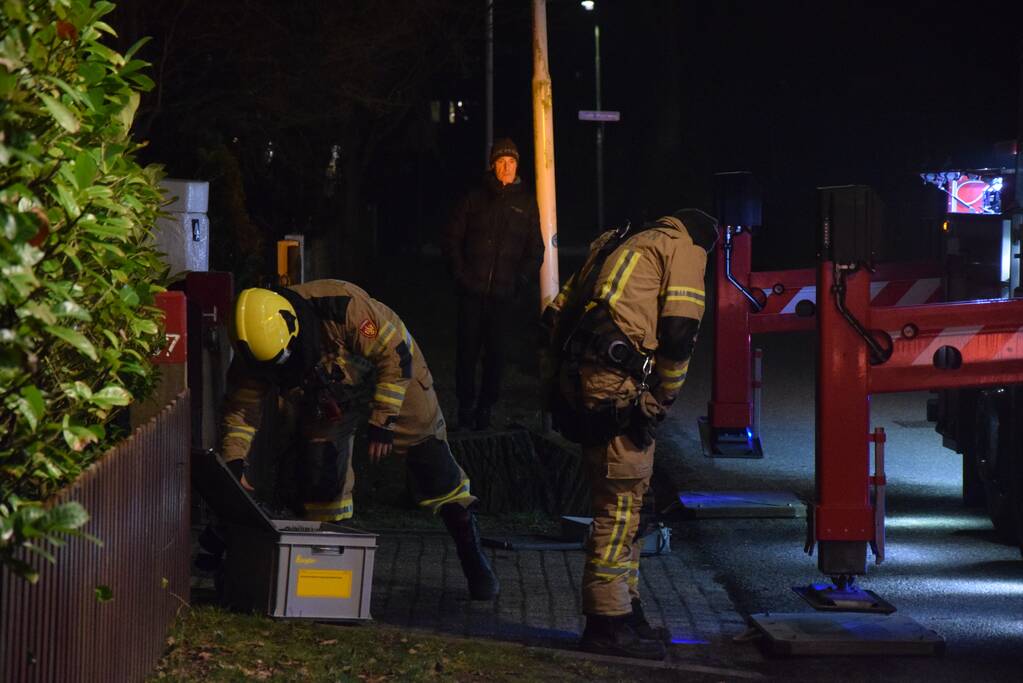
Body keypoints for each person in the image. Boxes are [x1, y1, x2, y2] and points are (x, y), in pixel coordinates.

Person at [220, 279, 500, 600]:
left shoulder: (345, 308)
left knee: (430, 461)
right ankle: (323, 568)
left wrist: (383, 420)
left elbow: (394, 357)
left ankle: (472, 555)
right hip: (329, 392)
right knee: (320, 475)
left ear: (293, 327)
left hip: (395, 372)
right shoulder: (253, 351)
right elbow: (241, 409)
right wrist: (234, 460)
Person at [541, 209, 718, 659]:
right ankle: (605, 626)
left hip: (584, 382)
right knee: (619, 508)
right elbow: (679, 333)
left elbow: (555, 314)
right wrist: (663, 397)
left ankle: (627, 612)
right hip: (616, 387)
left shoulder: (617, 239)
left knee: (633, 506)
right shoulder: (685, 250)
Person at [444, 137, 544, 430]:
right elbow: (451, 238)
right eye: (501, 161)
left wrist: (519, 281)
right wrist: (461, 275)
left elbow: (535, 250)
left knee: (496, 356)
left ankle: (486, 408)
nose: (506, 167)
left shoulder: (526, 203)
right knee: (467, 353)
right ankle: (465, 406)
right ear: (492, 165)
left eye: (511, 162)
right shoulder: (475, 197)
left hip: (503, 296)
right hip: (471, 293)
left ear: (517, 166)